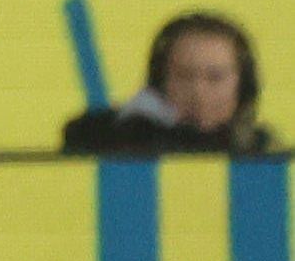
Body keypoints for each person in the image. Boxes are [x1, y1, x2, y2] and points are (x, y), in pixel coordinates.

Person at [61, 11, 275, 154]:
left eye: (215, 78)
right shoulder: (116, 144)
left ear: (243, 85)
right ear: (160, 83)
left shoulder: (264, 154)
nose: (198, 92)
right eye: (184, 76)